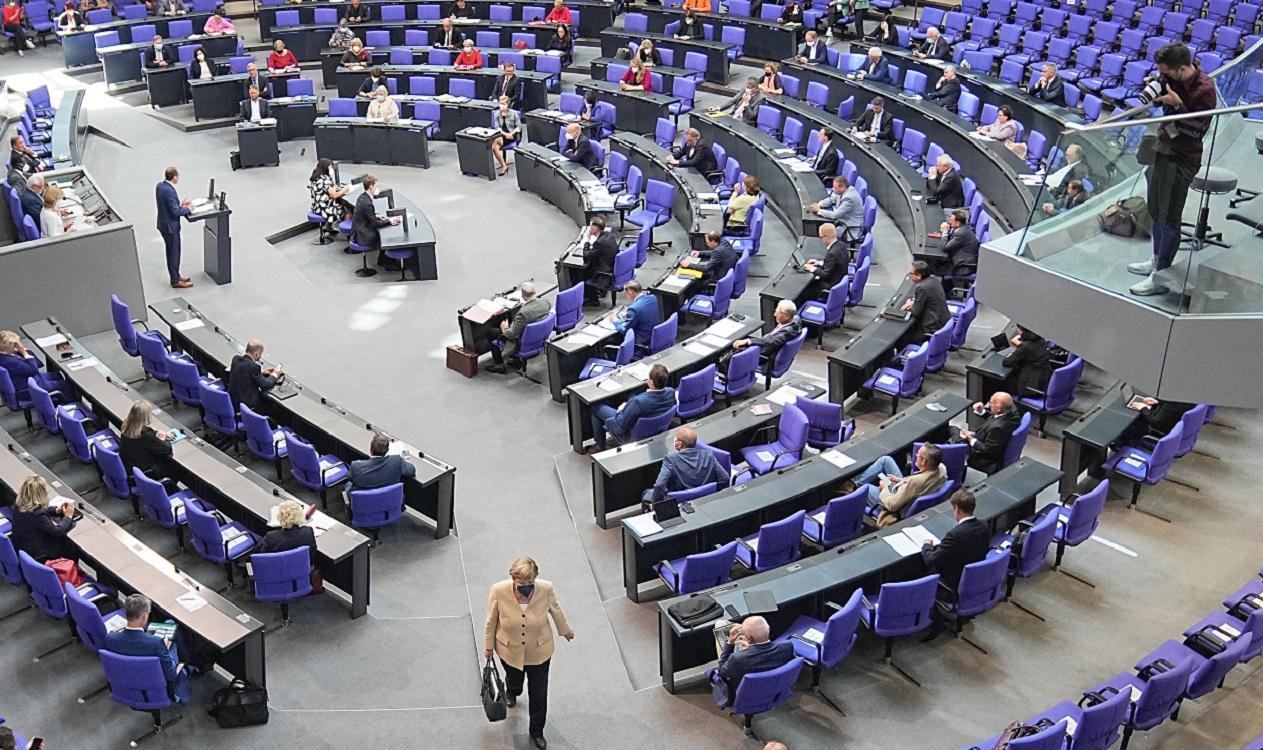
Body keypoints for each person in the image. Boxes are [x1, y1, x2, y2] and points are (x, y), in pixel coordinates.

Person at [1129, 45, 1216, 298]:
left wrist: (1177, 106)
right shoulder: (1170, 77)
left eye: (1167, 73)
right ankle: (1156, 260)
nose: (1164, 77)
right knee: (1156, 210)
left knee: (1169, 218)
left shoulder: (1205, 91)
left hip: (1182, 159)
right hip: (1162, 149)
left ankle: (1161, 275)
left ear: (1183, 68)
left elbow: (1196, 132)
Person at [484, 557, 573, 750]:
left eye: (530, 582)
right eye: (522, 583)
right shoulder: (498, 591)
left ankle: (537, 731)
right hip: (509, 650)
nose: (526, 587)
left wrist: (565, 630)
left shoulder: (546, 589)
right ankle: (513, 691)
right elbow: (491, 621)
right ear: (513, 579)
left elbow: (556, 611)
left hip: (539, 651)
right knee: (515, 680)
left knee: (539, 693)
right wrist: (488, 647)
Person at [106, 594, 193, 705]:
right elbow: (171, 674)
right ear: (144, 616)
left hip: (128, 677)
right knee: (173, 631)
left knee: (169, 624)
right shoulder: (156, 643)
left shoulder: (111, 638)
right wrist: (164, 649)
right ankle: (189, 660)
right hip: (154, 680)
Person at [851, 443, 948, 526]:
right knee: (886, 460)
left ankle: (852, 488)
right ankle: (854, 483)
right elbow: (915, 481)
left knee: (866, 487)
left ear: (923, 461)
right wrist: (900, 480)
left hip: (893, 505)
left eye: (918, 455)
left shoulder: (915, 482)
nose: (916, 455)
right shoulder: (941, 468)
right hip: (905, 489)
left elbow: (891, 505)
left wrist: (885, 487)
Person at [712, 616, 795, 708]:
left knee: (719, 625)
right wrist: (751, 648)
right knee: (721, 624)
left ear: (749, 638)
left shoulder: (737, 658)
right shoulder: (787, 647)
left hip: (746, 694)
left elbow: (721, 671)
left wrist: (730, 642)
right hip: (774, 690)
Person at [589, 365, 676, 451]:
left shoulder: (638, 402)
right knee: (629, 395)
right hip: (657, 428)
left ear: (651, 383)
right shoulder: (670, 392)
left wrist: (621, 410)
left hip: (630, 434)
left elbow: (621, 423)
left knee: (596, 407)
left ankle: (599, 446)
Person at [921, 489, 990, 592]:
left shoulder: (955, 535)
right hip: (974, 578)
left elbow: (931, 560)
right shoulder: (984, 525)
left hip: (953, 584)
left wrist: (927, 546)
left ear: (957, 509)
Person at [644, 427, 730, 506]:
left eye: (675, 440)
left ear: (679, 444)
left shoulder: (670, 460)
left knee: (647, 494)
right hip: (706, 500)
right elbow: (725, 478)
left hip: (681, 503)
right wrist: (712, 493)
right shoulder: (709, 455)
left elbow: (659, 485)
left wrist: (656, 505)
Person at [487, 281, 551, 373]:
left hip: (522, 342)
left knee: (490, 332)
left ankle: (500, 364)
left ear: (522, 295)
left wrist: (504, 327)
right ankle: (514, 359)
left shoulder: (523, 313)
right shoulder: (546, 302)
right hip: (538, 338)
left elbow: (512, 334)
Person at [10, 475, 77, 563]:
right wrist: (68, 516)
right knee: (70, 546)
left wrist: (56, 510)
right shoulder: (38, 516)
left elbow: (36, 509)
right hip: (40, 554)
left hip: (23, 546)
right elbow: (57, 532)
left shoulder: (18, 505)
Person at [957, 392, 1021, 475]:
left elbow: (988, 450)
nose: (989, 405)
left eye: (991, 403)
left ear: (998, 409)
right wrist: (982, 411)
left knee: (954, 436)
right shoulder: (1011, 410)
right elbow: (996, 418)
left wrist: (970, 439)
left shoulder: (997, 429)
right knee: (955, 432)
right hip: (991, 440)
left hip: (985, 457)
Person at [351, 174, 402, 268]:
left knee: (383, 227)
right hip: (362, 235)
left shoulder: (362, 197)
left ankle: (383, 259)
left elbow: (366, 216)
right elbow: (374, 224)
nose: (377, 188)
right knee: (384, 235)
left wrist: (376, 215)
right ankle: (385, 260)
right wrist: (390, 221)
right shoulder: (367, 203)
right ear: (371, 187)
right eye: (376, 186)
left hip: (358, 230)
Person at [729, 300, 802, 365]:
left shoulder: (784, 334)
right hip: (767, 346)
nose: (774, 315)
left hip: (762, 355)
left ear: (786, 316)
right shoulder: (795, 320)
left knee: (730, 353)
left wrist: (748, 341)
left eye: (777, 313)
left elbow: (770, 340)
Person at [118, 401, 177, 481]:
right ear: (145, 417)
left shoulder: (126, 426)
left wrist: (157, 433)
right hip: (145, 472)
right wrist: (162, 437)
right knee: (174, 466)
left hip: (128, 466)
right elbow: (166, 449)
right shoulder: (145, 435)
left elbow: (149, 436)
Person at [156, 166, 193, 289]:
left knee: (171, 251)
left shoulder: (160, 186)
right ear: (175, 177)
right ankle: (175, 280)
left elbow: (169, 205)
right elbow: (175, 213)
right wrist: (188, 209)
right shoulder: (170, 191)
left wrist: (180, 205)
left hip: (163, 224)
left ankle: (175, 275)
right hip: (170, 228)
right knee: (174, 253)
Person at [0, 330, 60, 404]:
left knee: (57, 375)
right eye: (15, 344)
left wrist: (23, 351)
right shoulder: (10, 361)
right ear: (8, 345)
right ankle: (67, 405)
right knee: (64, 385)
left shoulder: (7, 354)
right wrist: (24, 353)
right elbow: (34, 370)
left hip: (29, 379)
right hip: (27, 389)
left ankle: (56, 400)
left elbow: (39, 364)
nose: (18, 345)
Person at [900, 261, 950, 343]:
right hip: (943, 322)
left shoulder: (922, 287)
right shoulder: (935, 280)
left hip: (931, 328)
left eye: (911, 273)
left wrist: (908, 305)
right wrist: (915, 301)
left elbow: (915, 312)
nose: (909, 275)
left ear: (919, 276)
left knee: (902, 338)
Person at [227, 339, 282, 412]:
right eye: (261, 353)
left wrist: (261, 372)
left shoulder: (236, 359)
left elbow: (244, 370)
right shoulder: (254, 367)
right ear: (257, 354)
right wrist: (275, 374)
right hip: (247, 407)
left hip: (233, 403)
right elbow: (266, 385)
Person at [348, 433, 417, 489]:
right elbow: (411, 470)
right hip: (389, 502)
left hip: (362, 503)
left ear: (370, 449)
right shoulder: (396, 461)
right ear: (387, 450)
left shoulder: (356, 466)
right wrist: (403, 461)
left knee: (348, 485)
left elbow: (351, 478)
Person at [1002, 325, 1053, 395]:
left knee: (1003, 380)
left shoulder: (1025, 347)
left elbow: (1006, 362)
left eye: (1019, 330)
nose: (1018, 331)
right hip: (1043, 382)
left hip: (1030, 388)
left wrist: (1011, 354)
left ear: (1024, 332)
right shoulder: (1042, 340)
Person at [309, 158, 351, 241]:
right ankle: (349, 235)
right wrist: (345, 189)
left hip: (316, 206)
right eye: (330, 167)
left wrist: (335, 188)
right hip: (325, 209)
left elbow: (326, 191)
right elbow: (334, 195)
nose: (332, 169)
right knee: (348, 209)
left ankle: (328, 227)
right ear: (325, 168)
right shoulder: (325, 180)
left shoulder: (316, 177)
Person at [580, 216, 618, 304]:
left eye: (590, 226)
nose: (589, 228)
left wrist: (587, 241)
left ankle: (592, 299)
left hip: (604, 274)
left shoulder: (599, 243)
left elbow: (586, 255)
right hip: (611, 266)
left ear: (594, 228)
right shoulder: (609, 235)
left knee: (580, 271)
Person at [804, 223, 850, 290]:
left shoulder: (832, 253)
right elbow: (836, 264)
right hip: (840, 280)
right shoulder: (842, 245)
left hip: (832, 285)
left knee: (809, 286)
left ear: (827, 236)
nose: (821, 240)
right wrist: (819, 263)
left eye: (821, 237)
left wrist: (812, 268)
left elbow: (825, 275)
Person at [938, 209, 979, 282]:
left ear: (958, 223)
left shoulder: (960, 233)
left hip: (961, 267)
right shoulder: (964, 228)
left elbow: (944, 247)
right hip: (962, 259)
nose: (950, 222)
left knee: (936, 269)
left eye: (951, 221)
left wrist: (944, 232)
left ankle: (944, 289)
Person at [491, 95, 521, 175]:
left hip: (512, 135)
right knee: (495, 147)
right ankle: (504, 166)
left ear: (508, 104)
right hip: (502, 134)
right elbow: (497, 128)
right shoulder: (496, 114)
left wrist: (511, 133)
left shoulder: (514, 113)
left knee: (494, 145)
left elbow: (519, 127)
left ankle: (503, 166)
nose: (502, 105)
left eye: (504, 104)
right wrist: (505, 134)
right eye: (500, 103)